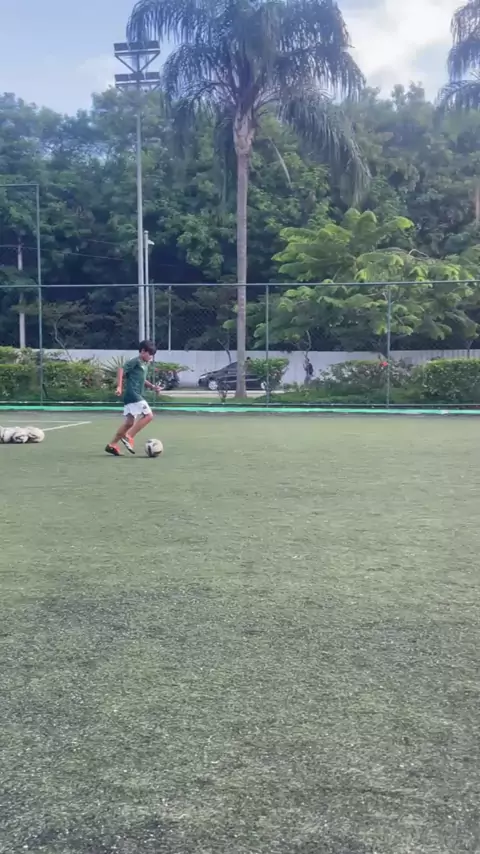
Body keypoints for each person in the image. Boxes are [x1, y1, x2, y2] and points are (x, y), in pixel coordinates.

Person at [105, 340, 161, 456]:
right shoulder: (136, 361)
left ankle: (112, 445)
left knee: (129, 423)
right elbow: (121, 369)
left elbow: (141, 379)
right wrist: (119, 386)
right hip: (133, 394)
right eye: (150, 354)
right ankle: (129, 436)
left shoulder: (144, 364)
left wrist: (152, 387)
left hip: (132, 396)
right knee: (149, 416)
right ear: (143, 351)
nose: (151, 357)